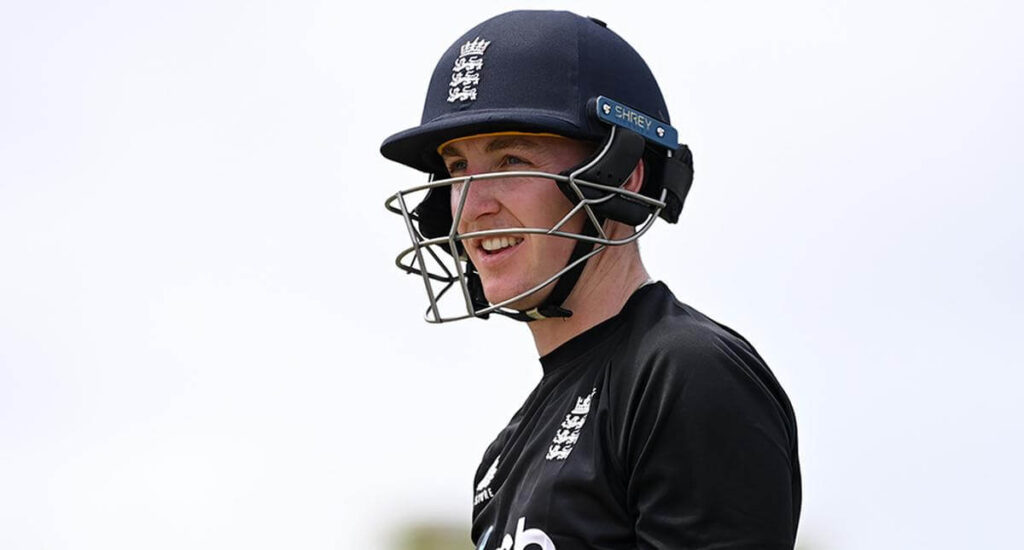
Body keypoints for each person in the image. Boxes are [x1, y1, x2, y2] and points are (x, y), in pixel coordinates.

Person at [380, 10, 801, 550]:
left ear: (622, 176)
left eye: (510, 160)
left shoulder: (683, 372)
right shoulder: (505, 453)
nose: (472, 208)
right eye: (458, 167)